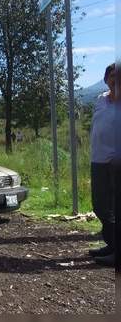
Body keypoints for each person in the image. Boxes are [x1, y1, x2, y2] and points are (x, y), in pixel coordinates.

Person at [87, 62, 119, 267]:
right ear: (106, 79)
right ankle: (113, 244)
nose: (115, 79)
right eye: (112, 75)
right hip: (98, 161)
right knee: (100, 206)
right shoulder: (100, 100)